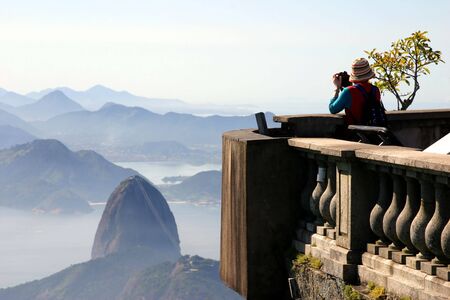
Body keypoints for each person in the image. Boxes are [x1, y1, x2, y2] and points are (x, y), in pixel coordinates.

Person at [329, 58, 383, 125]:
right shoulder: (375, 90)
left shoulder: (348, 91)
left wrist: (337, 89)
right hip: (374, 132)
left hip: (357, 132)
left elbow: (332, 109)